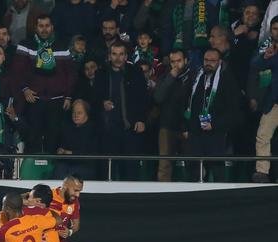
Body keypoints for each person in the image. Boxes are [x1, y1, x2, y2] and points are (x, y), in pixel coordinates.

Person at [12, 14, 77, 155]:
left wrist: (68, 96)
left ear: (52, 27)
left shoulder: (62, 45)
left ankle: (52, 168)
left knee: (54, 140)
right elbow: (17, 71)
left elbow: (71, 73)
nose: (44, 29)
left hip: (57, 101)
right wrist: (25, 89)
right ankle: (32, 168)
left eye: (47, 26)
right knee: (32, 139)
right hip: (34, 101)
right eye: (41, 26)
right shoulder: (26, 44)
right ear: (36, 28)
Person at [182, 48, 240, 182]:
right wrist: (185, 126)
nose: (208, 63)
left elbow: (233, 111)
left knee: (217, 170)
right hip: (195, 133)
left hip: (215, 134)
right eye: (206, 60)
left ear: (220, 62)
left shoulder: (227, 80)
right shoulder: (196, 77)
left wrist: (214, 124)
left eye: (212, 61)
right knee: (193, 170)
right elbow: (185, 102)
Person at [94, 41, 147, 181]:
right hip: (108, 129)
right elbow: (93, 98)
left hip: (129, 128)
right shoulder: (101, 73)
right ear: (109, 56)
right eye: (114, 54)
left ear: (126, 56)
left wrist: (141, 119)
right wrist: (102, 103)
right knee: (107, 171)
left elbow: (143, 98)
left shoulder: (135, 72)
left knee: (130, 171)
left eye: (121, 54)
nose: (117, 58)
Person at [153, 49, 192, 182]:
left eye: (179, 61)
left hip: (189, 126)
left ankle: (192, 190)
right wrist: (171, 77)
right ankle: (163, 192)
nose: (176, 65)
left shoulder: (194, 77)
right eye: (173, 62)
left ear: (185, 61)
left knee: (191, 162)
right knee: (164, 164)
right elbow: (158, 98)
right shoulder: (165, 77)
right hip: (167, 125)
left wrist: (188, 125)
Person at [252, 16, 278, 184]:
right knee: (263, 136)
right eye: (275, 29)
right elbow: (254, 65)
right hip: (273, 102)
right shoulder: (267, 48)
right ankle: (262, 172)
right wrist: (265, 57)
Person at [55, 99, 99, 179]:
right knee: (59, 169)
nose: (75, 115)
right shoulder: (67, 128)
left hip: (85, 165)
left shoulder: (93, 130)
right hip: (67, 163)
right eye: (74, 112)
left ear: (86, 114)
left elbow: (91, 153)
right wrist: (61, 150)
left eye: (79, 113)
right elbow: (63, 146)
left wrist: (70, 153)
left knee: (71, 174)